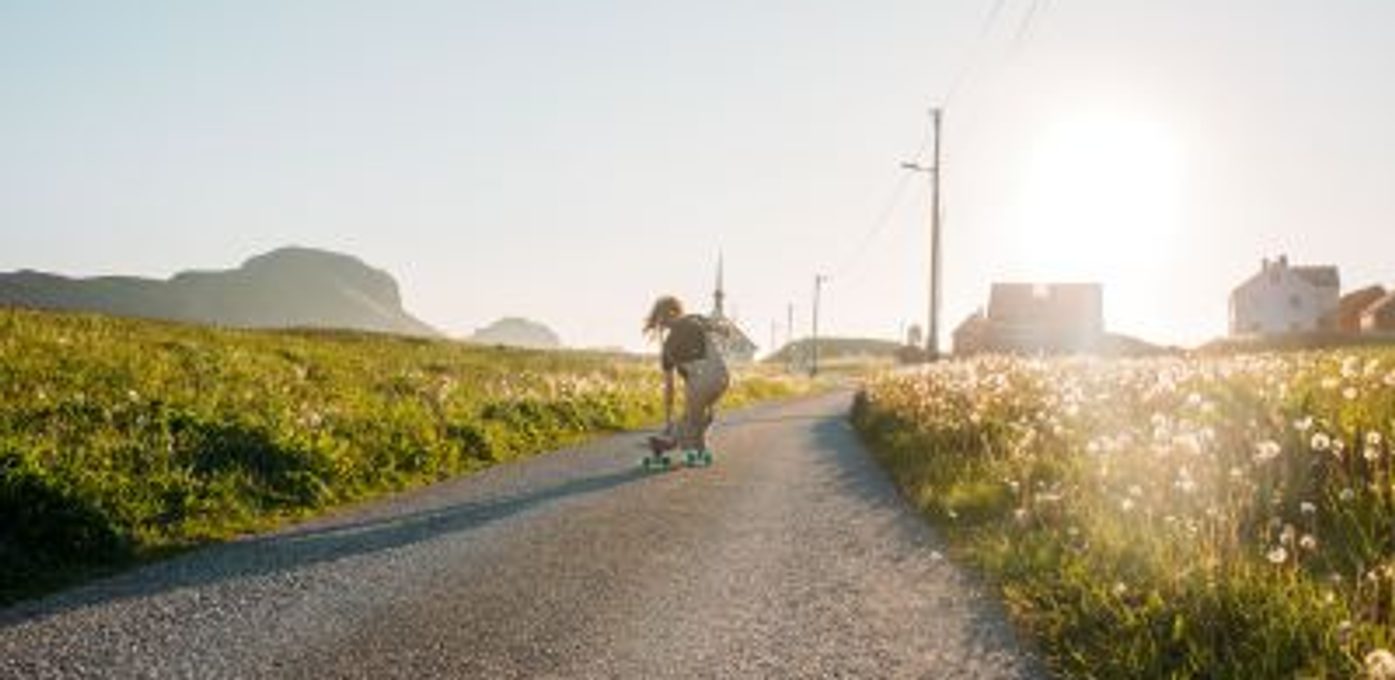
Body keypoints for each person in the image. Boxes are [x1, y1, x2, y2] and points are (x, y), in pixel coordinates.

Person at [644, 295, 730, 465]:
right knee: (696, 417)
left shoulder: (668, 348)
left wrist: (668, 418)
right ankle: (691, 447)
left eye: (662, 318)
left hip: (701, 382)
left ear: (670, 313)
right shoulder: (695, 319)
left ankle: (679, 446)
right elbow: (724, 330)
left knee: (691, 420)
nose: (663, 323)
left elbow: (670, 388)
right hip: (722, 378)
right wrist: (722, 330)